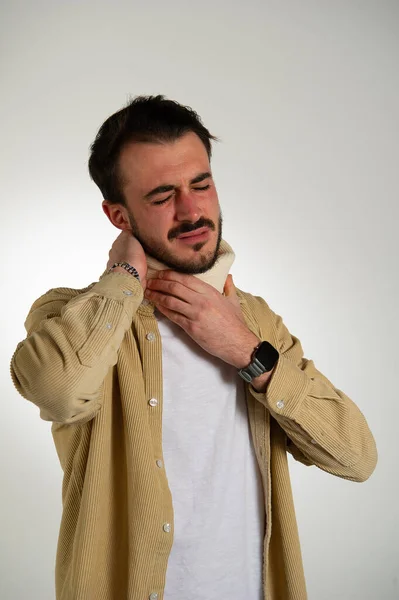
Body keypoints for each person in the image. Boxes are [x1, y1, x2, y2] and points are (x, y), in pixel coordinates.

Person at [10, 95, 377, 600]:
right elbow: (58, 390)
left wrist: (250, 352)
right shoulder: (69, 316)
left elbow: (357, 457)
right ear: (118, 214)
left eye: (201, 184)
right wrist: (123, 278)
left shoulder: (254, 319)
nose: (192, 210)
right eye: (162, 196)